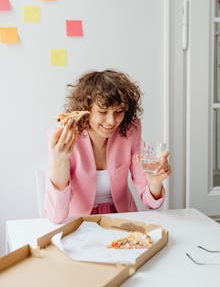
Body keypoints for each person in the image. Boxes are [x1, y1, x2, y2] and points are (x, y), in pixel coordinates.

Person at [44, 69, 171, 224]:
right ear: (85, 110)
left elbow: (151, 202)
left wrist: (154, 182)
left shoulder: (130, 131)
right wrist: (60, 160)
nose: (111, 121)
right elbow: (56, 216)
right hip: (79, 223)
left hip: (123, 221)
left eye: (119, 111)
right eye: (103, 111)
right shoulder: (63, 138)